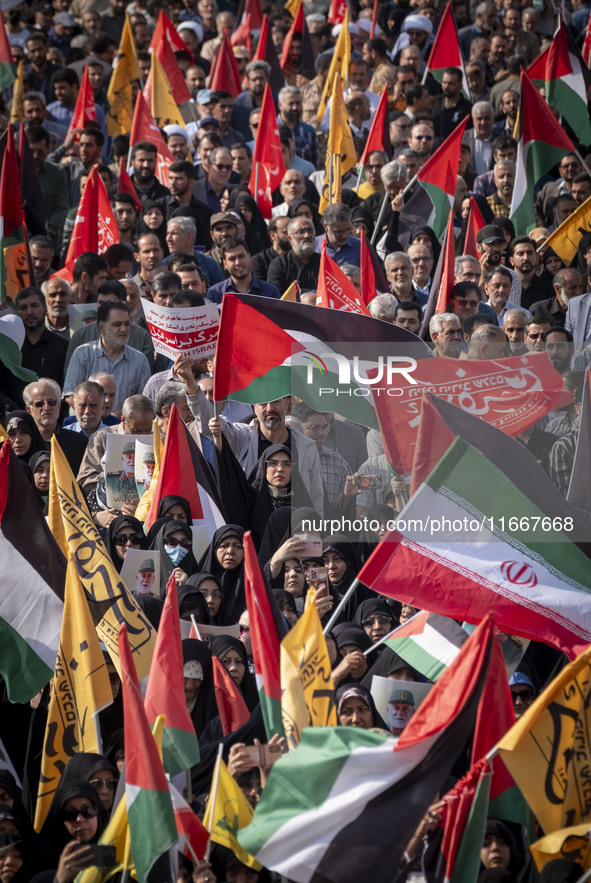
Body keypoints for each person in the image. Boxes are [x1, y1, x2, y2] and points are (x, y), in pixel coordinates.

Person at [64, 301, 151, 411]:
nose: (124, 329)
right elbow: (70, 395)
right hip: (87, 425)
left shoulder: (140, 360)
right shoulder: (83, 354)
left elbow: (142, 401)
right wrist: (94, 417)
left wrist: (117, 418)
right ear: (102, 328)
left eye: (127, 324)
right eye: (117, 324)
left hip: (123, 425)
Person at [205, 239, 281, 303]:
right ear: (225, 263)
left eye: (241, 256)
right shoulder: (215, 293)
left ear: (249, 256)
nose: (238, 262)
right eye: (232, 259)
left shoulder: (270, 292)